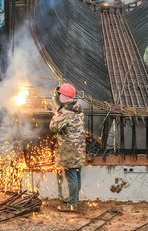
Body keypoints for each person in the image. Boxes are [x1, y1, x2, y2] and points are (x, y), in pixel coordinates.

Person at [50, 82, 86, 212]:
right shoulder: (78, 108)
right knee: (77, 174)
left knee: (71, 176)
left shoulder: (66, 113)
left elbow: (53, 127)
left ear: (64, 97)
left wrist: (56, 112)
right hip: (79, 148)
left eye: (60, 95)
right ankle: (74, 199)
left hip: (69, 149)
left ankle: (71, 204)